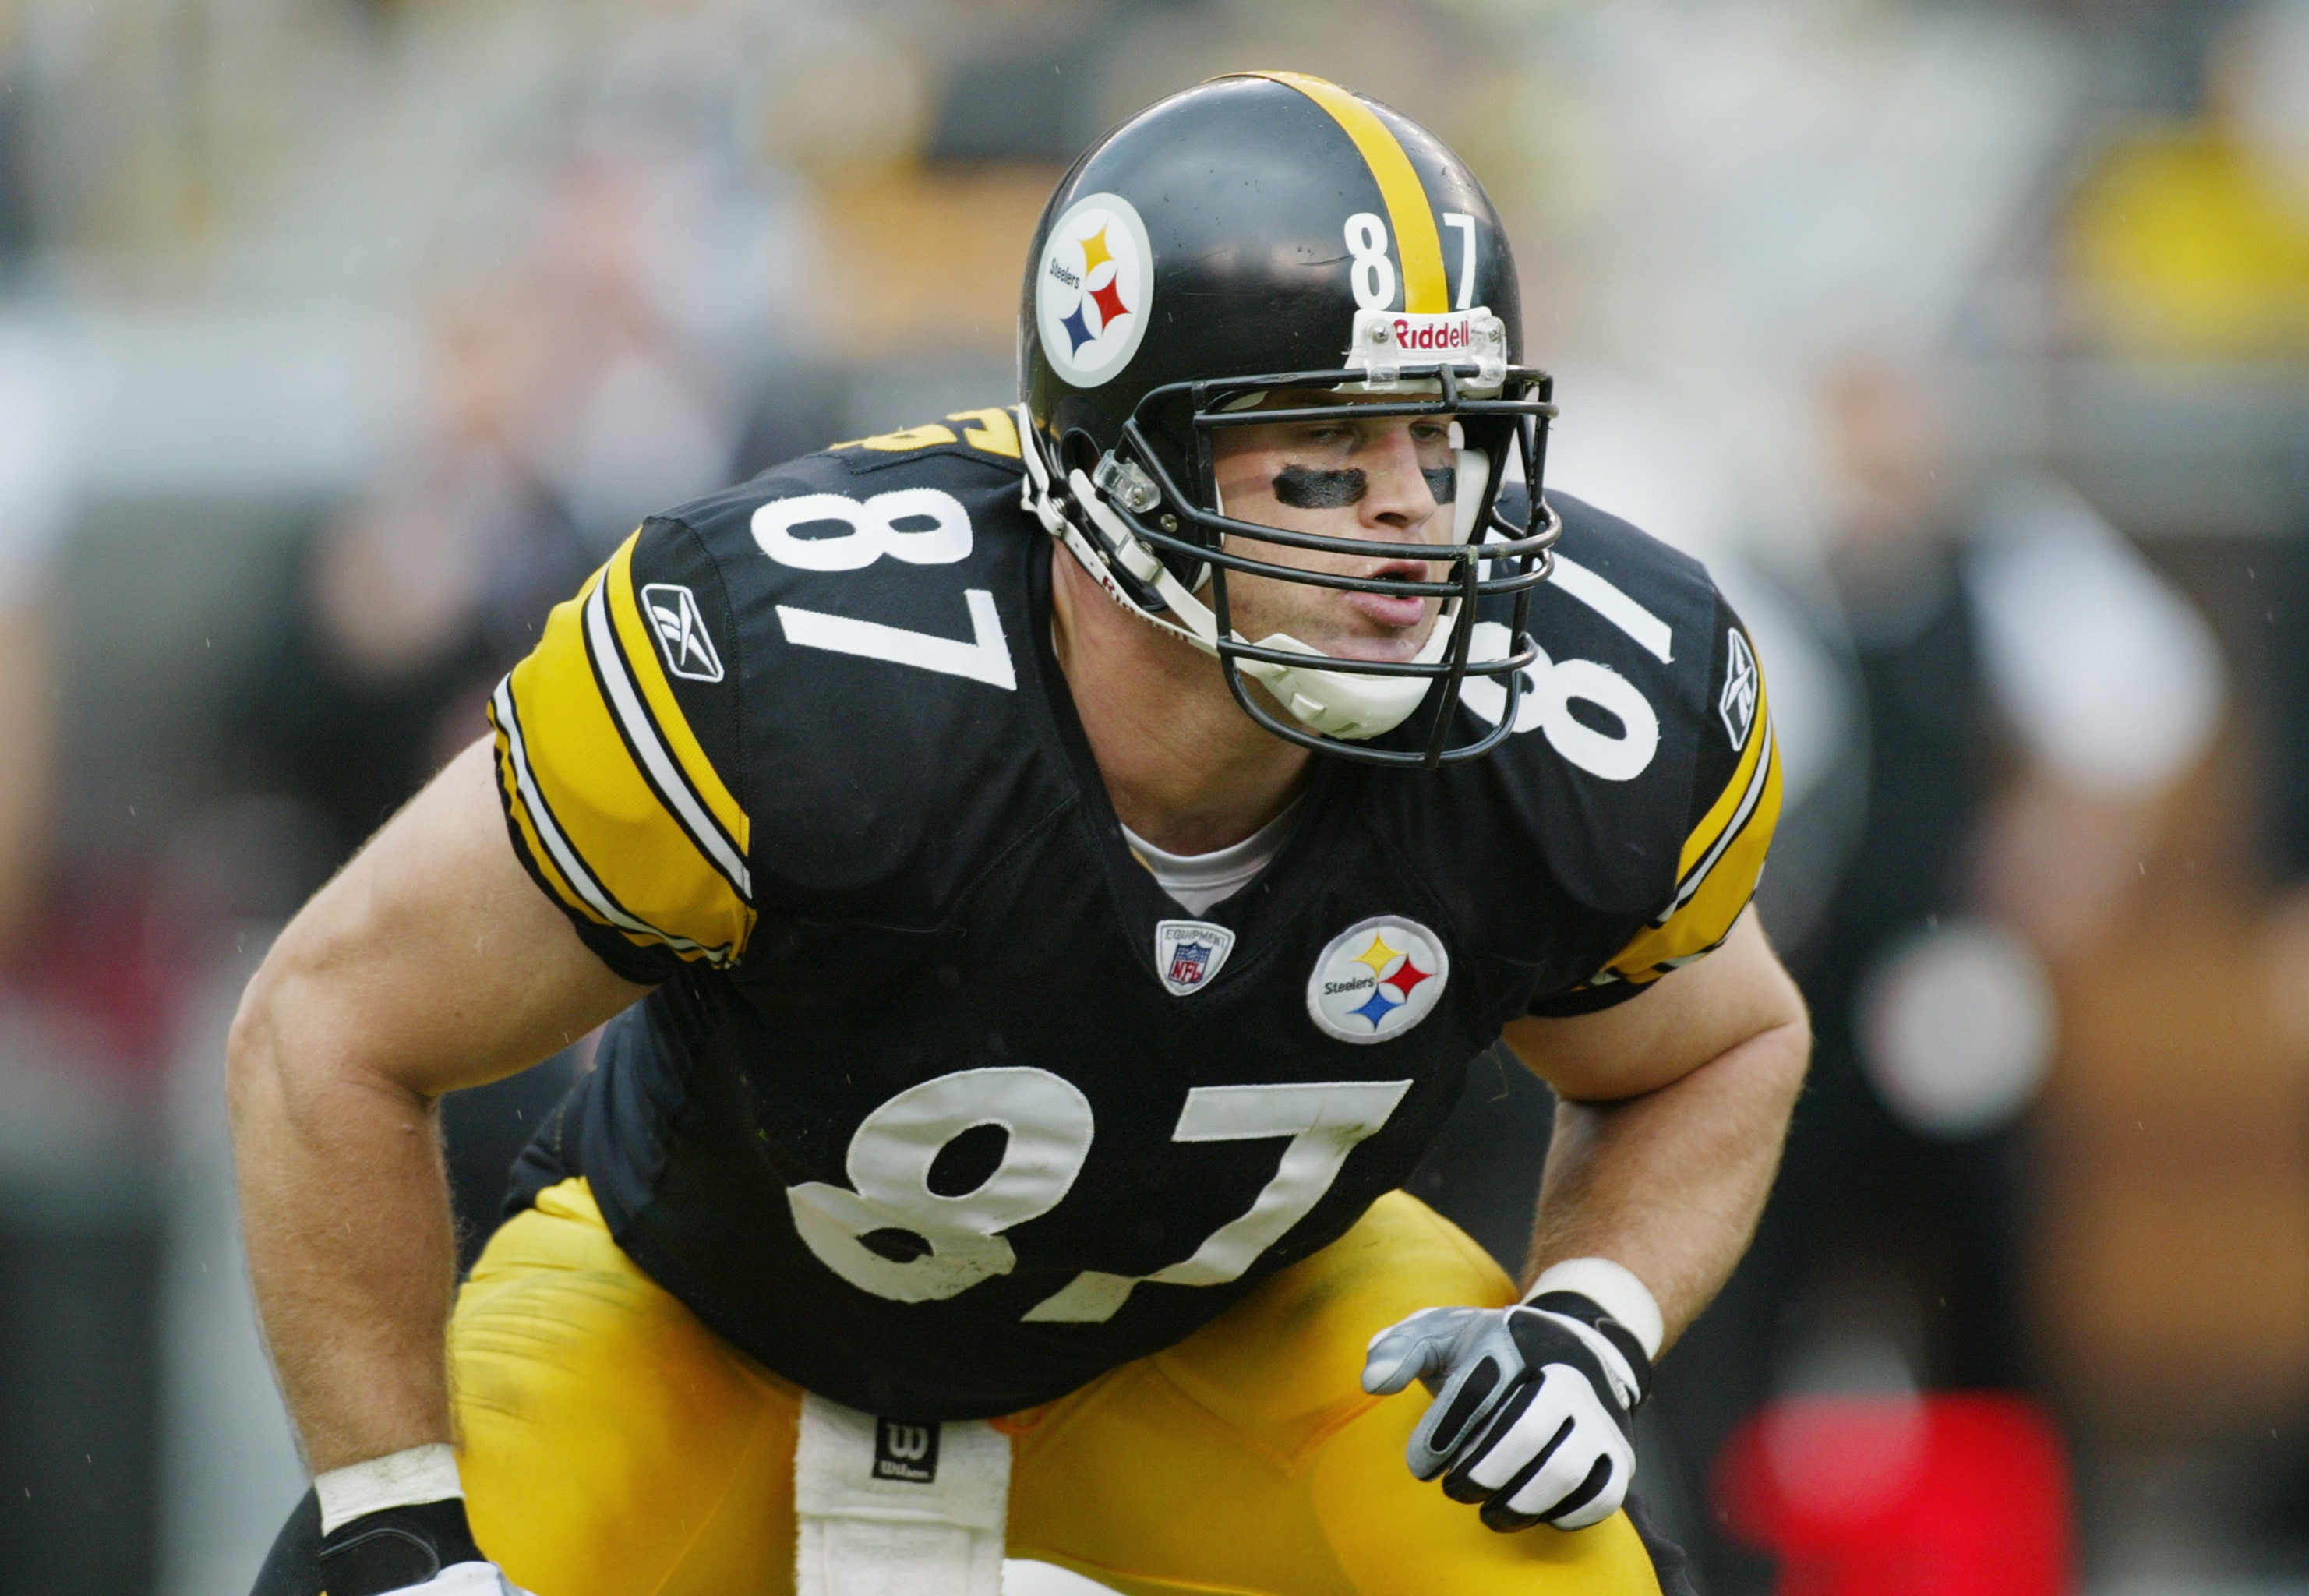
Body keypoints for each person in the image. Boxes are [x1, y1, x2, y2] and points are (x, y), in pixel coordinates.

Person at [229, 72, 1805, 1596]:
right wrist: (388, 1522)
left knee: (1557, 1561)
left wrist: (1593, 1316)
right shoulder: (808, 675)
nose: (1414, 508)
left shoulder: (1568, 707)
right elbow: (332, 1020)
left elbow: (1719, 1043)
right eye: (1328, 441)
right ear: (1116, 466)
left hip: (1233, 1337)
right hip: (694, 1326)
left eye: (1445, 436)